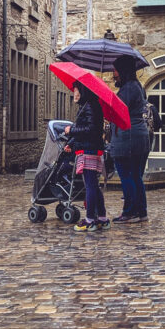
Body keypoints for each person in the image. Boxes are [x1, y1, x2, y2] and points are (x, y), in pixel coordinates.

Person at [64, 82, 110, 233]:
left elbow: (90, 129)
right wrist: (71, 142)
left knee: (90, 185)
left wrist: (71, 130)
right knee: (94, 186)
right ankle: (102, 218)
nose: (74, 94)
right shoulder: (90, 105)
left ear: (84, 91)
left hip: (89, 150)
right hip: (90, 148)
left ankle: (90, 220)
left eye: (77, 90)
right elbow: (87, 129)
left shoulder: (90, 106)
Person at [109, 54, 150, 223]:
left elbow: (117, 110)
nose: (113, 73)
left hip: (128, 138)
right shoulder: (136, 86)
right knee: (135, 176)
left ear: (123, 70)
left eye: (116, 70)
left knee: (127, 176)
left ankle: (130, 212)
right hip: (137, 136)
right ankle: (141, 212)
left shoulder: (128, 89)